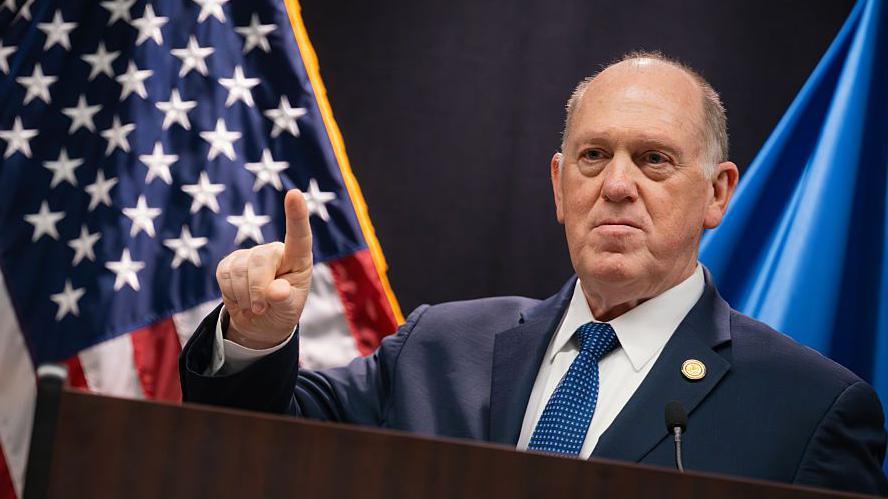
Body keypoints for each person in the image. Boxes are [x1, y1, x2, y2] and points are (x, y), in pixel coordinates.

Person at [180, 52, 888, 494]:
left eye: (654, 160)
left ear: (717, 192)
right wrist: (256, 338)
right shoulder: (439, 346)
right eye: (592, 157)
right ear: (558, 185)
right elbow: (262, 449)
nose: (616, 185)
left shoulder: (809, 411)